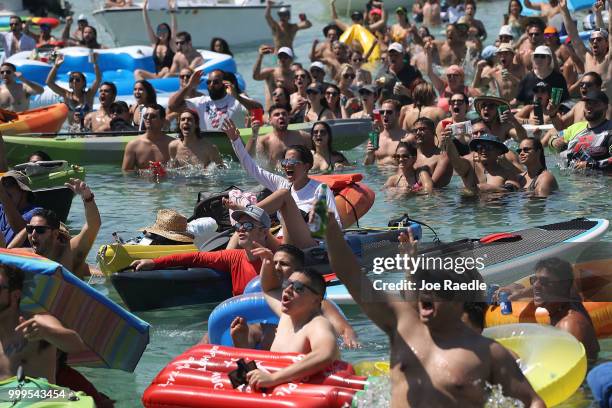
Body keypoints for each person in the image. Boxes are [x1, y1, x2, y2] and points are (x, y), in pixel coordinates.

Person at [324, 214, 545, 407]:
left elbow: (532, 401)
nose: (424, 292)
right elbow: (350, 274)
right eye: (423, 286)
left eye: (435, 287)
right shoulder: (403, 326)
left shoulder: (488, 354)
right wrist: (331, 229)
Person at [228, 244, 359, 349]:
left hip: (303, 352)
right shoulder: (268, 294)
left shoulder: (316, 304)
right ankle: (243, 350)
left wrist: (351, 343)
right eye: (274, 263)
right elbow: (269, 288)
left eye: (283, 264)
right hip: (272, 353)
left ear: (299, 270)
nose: (277, 268)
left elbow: (345, 331)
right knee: (250, 330)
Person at [131, 205, 276, 296]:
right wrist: (154, 262)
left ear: (264, 232)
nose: (241, 229)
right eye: (238, 226)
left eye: (248, 226)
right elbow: (195, 258)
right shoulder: (233, 257)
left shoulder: (279, 261)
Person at [223, 118, 342, 229]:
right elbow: (252, 168)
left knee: (284, 195)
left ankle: (248, 211)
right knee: (244, 231)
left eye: (293, 161)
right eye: (285, 161)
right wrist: (235, 140)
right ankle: (248, 213)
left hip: (308, 240)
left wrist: (307, 220)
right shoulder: (282, 183)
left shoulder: (320, 189)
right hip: (283, 237)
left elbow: (337, 224)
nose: (287, 165)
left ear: (307, 166)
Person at [245, 259, 338, 389]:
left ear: (316, 299)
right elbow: (269, 289)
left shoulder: (318, 325)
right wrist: (266, 261)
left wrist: (273, 378)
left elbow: (325, 354)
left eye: (298, 288)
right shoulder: (286, 317)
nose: (287, 290)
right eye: (287, 284)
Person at [495, 258, 600, 360]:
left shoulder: (569, 325)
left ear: (564, 286)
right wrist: (518, 293)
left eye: (544, 282)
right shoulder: (567, 302)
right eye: (534, 280)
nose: (536, 285)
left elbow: (566, 372)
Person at [0, 264, 86, 384]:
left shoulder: (39, 321)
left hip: (38, 400)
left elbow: (76, 345)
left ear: (15, 295)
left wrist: (46, 332)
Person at [14, 179, 100, 278]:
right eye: (30, 229)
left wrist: (87, 197)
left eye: (40, 230)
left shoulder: (69, 253)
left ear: (55, 234)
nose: (33, 234)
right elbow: (6, 252)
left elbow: (93, 225)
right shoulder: (27, 255)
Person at [168, 69, 254, 131]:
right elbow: (172, 106)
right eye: (208, 82)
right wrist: (189, 86)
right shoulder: (200, 102)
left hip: (235, 149)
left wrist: (238, 97)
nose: (211, 85)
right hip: (208, 152)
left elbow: (258, 109)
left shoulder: (237, 100)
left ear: (224, 84)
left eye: (216, 82)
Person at [560, 0, 611, 102]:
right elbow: (573, 35)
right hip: (590, 110)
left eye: (599, 40)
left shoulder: (609, 59)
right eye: (592, 40)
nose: (595, 42)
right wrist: (564, 10)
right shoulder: (587, 57)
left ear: (607, 43)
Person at [443, 132, 521, 194]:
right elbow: (456, 163)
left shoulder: (506, 173)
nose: (483, 150)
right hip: (470, 211)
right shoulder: (469, 167)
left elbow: (513, 190)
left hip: (496, 209)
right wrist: (449, 142)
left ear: (499, 151)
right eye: (480, 147)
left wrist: (489, 188)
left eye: (488, 147)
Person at [46, 53, 102, 128]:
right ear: (69, 84)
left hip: (87, 131)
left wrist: (95, 64)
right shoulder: (66, 95)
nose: (74, 81)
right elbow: (49, 82)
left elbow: (98, 79)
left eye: (77, 79)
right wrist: (56, 66)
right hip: (72, 132)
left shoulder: (89, 95)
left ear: (83, 83)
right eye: (72, 79)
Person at [549, 91, 611, 157]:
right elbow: (553, 138)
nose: (589, 106)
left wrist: (590, 164)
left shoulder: (610, 130)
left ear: (605, 107)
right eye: (587, 103)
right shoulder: (576, 127)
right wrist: (554, 142)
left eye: (595, 103)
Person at [133, 0, 177, 80]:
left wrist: (172, 11)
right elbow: (148, 25)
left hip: (169, 76)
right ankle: (144, 87)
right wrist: (144, 9)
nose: (162, 33)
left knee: (166, 70)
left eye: (164, 31)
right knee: (137, 72)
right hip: (156, 75)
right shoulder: (154, 43)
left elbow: (174, 27)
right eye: (159, 31)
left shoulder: (171, 44)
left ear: (168, 33)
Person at [122, 104, 173, 171]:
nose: (148, 118)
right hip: (143, 181)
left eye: (153, 116)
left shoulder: (172, 144)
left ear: (162, 120)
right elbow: (126, 173)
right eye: (146, 116)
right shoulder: (133, 145)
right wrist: (145, 173)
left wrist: (163, 171)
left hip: (167, 181)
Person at [0, 172, 42, 246]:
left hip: (15, 256)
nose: (4, 188)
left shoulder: (36, 213)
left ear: (24, 191)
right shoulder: (1, 209)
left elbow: (19, 229)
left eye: (9, 184)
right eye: (2, 184)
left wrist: (3, 193)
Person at [365, 99, 411, 166]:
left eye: (389, 112)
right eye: (382, 112)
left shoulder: (407, 137)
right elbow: (368, 166)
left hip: (397, 175)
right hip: (379, 175)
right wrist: (369, 154)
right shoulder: (375, 138)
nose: (385, 115)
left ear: (398, 114)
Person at [253, 46, 296, 111]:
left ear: (291, 59)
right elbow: (255, 76)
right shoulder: (271, 73)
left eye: (285, 57)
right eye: (280, 57)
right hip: (271, 112)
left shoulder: (295, 76)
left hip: (289, 113)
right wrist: (260, 56)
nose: (282, 59)